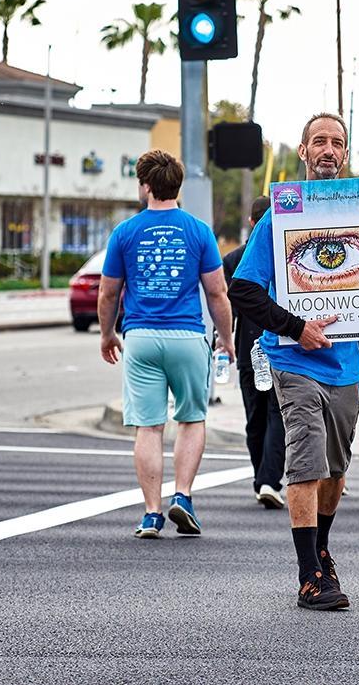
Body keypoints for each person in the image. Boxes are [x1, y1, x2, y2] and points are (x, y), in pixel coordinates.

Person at [228, 112, 359, 611]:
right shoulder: (279, 217)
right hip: (293, 362)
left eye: (337, 142)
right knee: (307, 462)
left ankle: (322, 551)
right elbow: (243, 290)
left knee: (334, 471)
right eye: (319, 142)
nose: (328, 149)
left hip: (346, 367)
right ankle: (309, 574)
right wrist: (296, 328)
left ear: (345, 153)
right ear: (304, 151)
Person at [97, 149, 233, 539]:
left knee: (149, 426)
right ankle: (183, 497)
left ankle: (151, 514)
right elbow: (217, 293)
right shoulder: (198, 231)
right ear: (178, 185)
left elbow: (108, 293)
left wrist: (107, 334)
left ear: (145, 186)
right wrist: (226, 339)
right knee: (191, 419)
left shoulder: (125, 232)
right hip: (187, 337)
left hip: (141, 337)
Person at [222, 195, 285, 509]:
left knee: (254, 417)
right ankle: (269, 479)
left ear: (251, 222)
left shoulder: (233, 259)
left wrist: (223, 341)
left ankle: (261, 478)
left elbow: (228, 306)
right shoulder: (284, 249)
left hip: (247, 347)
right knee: (277, 415)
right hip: (279, 344)